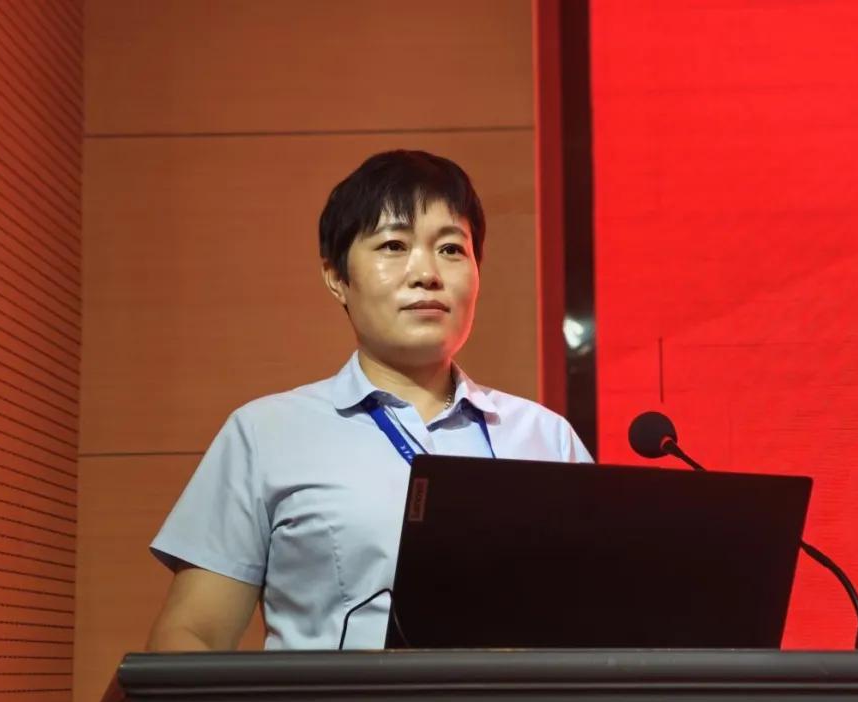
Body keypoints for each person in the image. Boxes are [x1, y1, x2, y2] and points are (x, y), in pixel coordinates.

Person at [145, 150, 593, 652]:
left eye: (451, 249)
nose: (427, 274)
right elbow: (192, 635)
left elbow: (601, 624)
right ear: (337, 277)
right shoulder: (266, 434)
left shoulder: (547, 438)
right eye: (394, 245)